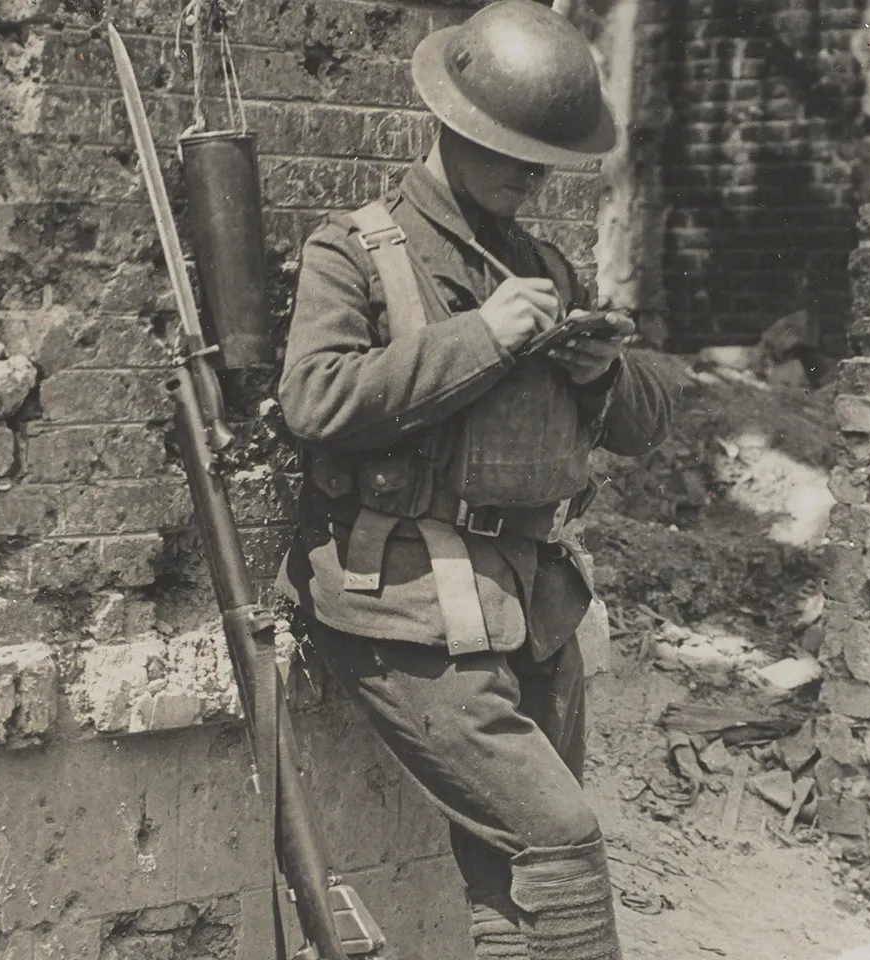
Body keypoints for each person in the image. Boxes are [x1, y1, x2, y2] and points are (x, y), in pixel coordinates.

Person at [274, 2, 673, 958]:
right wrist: (481, 337)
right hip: (406, 603)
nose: (528, 178)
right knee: (559, 837)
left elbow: (647, 428)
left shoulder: (543, 265)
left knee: (515, 878)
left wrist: (601, 372)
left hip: (531, 606)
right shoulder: (358, 249)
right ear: (452, 126)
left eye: (543, 160)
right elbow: (314, 400)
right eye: (511, 153)